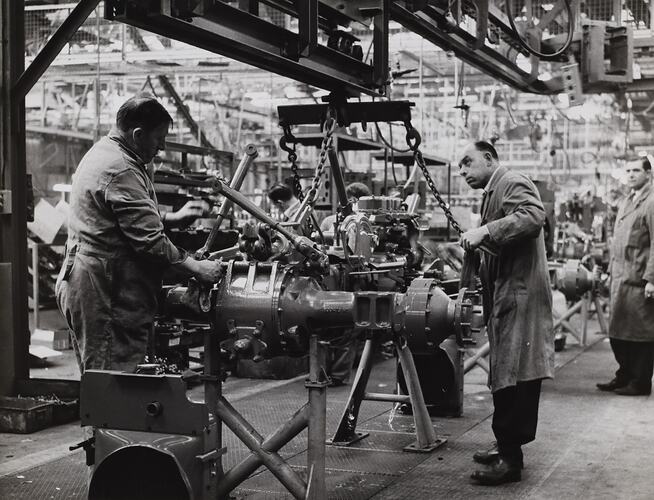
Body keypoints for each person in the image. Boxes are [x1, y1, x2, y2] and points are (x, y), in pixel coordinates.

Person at [56, 94, 223, 373]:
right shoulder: (120, 167)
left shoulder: (109, 153)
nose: (163, 146)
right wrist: (196, 268)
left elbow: (127, 217)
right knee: (114, 383)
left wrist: (173, 219)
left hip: (96, 281)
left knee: (106, 379)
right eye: (159, 138)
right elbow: (150, 242)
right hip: (105, 291)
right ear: (137, 134)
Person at [458, 141, 554, 486]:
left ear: (488, 158)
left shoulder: (512, 181)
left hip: (520, 295)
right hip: (507, 294)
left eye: (467, 163)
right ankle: (506, 445)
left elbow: (532, 217)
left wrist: (484, 230)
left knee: (514, 377)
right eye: (460, 168)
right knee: (505, 374)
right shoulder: (491, 191)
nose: (464, 171)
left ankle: (510, 460)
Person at [597, 157, 654, 396]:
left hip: (639, 280)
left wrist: (652, 278)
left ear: (648, 173)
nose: (631, 175)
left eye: (636, 170)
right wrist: (610, 272)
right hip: (621, 278)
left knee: (640, 333)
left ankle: (640, 382)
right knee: (619, 330)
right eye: (628, 170)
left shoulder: (651, 202)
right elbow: (618, 239)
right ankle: (624, 375)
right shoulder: (628, 200)